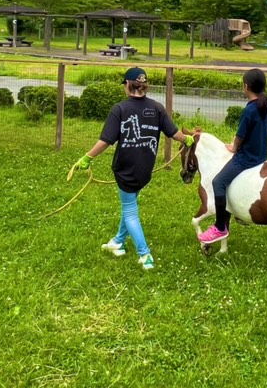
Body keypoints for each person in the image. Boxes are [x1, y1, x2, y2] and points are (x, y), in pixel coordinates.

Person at [74, 67, 194, 270]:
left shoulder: (120, 109)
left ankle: (145, 255)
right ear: (144, 85)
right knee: (129, 205)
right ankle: (117, 242)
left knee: (130, 212)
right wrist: (187, 139)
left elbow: (106, 141)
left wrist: (87, 157)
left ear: (128, 85)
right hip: (145, 170)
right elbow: (174, 134)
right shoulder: (157, 108)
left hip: (125, 170)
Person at [198, 68, 267, 244]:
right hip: (261, 156)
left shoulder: (250, 110)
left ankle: (220, 227)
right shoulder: (265, 106)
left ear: (246, 86)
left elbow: (240, 136)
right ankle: (239, 211)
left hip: (246, 158)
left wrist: (234, 147)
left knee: (218, 182)